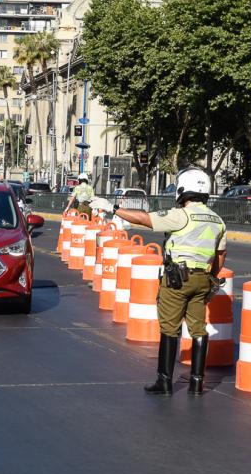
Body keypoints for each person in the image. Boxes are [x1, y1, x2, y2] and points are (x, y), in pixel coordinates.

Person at [90, 166, 226, 396]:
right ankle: (196, 383)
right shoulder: (217, 220)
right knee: (198, 329)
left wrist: (113, 208)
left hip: (178, 280)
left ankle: (164, 382)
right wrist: (209, 278)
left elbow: (145, 219)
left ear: (183, 189)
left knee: (170, 328)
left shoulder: (181, 215)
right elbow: (220, 257)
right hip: (203, 280)